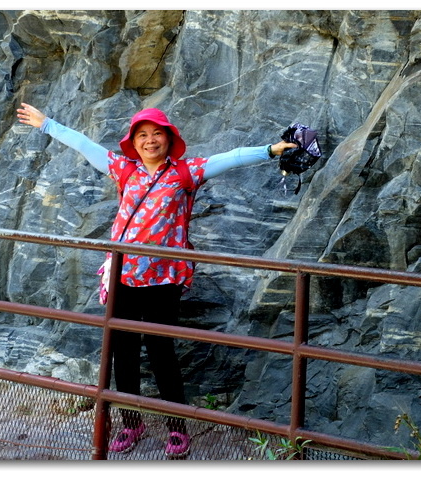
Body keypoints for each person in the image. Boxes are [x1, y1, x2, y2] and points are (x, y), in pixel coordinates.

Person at [17, 103, 297, 458]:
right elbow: (84, 145)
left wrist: (271, 150)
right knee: (123, 353)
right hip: (123, 275)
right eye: (142, 135)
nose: (150, 141)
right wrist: (48, 125)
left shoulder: (184, 173)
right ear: (133, 142)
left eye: (157, 133)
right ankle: (130, 422)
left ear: (169, 138)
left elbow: (231, 157)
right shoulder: (124, 170)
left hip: (164, 278)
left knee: (162, 352)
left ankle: (177, 428)